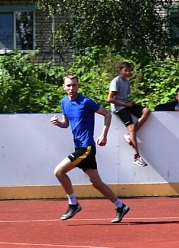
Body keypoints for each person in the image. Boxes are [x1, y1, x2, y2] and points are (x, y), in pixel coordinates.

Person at [51, 74, 131, 223]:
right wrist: (58, 123)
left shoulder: (86, 102)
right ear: (63, 87)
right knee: (96, 183)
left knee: (59, 171)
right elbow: (66, 123)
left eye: (74, 85)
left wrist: (104, 135)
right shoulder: (64, 102)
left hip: (86, 148)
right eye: (68, 85)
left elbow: (107, 114)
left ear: (78, 86)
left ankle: (73, 203)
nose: (71, 88)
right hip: (79, 147)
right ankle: (120, 206)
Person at [108, 62, 151, 167]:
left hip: (125, 105)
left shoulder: (127, 82)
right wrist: (125, 104)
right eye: (125, 70)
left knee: (147, 111)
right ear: (120, 71)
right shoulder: (116, 81)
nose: (128, 73)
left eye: (129, 71)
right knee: (131, 127)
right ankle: (136, 156)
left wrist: (130, 103)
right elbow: (109, 99)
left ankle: (129, 136)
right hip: (118, 107)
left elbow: (124, 97)